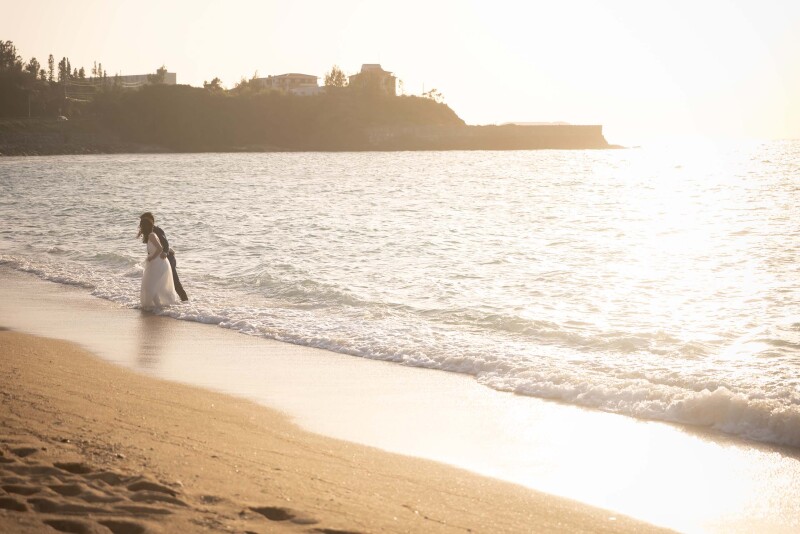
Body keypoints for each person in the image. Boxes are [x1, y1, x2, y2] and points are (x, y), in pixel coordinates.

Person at [139, 212, 188, 301]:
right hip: (158, 259)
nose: (141, 223)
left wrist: (165, 252)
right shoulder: (148, 232)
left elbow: (165, 243)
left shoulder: (157, 230)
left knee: (174, 282)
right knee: (155, 283)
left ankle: (185, 301)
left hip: (167, 258)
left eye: (143, 220)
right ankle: (157, 304)